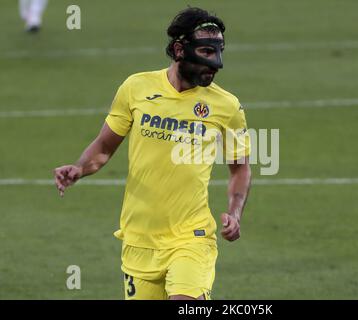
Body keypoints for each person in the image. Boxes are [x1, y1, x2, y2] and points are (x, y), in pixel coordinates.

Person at [53, 7, 251, 300]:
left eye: (219, 52)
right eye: (207, 52)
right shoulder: (136, 88)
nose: (216, 63)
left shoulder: (227, 106)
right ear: (180, 49)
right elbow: (105, 147)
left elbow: (240, 168)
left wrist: (235, 213)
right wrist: (80, 168)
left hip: (192, 237)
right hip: (138, 239)